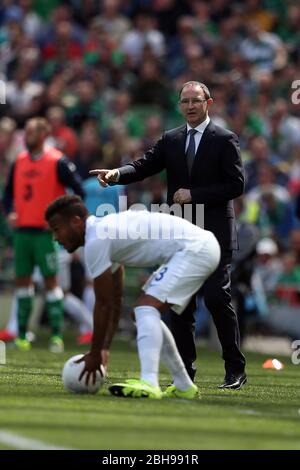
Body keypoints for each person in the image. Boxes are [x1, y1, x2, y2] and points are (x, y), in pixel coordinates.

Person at [90, 81, 247, 389]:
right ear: (179, 105)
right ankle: (186, 372)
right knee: (180, 305)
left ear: (208, 103)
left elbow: (236, 185)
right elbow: (145, 165)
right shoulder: (172, 139)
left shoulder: (225, 139)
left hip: (215, 231)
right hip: (180, 234)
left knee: (216, 297)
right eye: (184, 101)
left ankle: (235, 368)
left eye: (195, 101)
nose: (190, 106)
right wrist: (116, 174)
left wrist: (195, 194)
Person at [45, 194, 221, 399]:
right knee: (142, 313)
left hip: (195, 249)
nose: (56, 238)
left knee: (145, 309)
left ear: (76, 222)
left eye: (57, 229)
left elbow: (103, 304)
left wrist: (94, 353)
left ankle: (149, 382)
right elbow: (115, 298)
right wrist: (104, 349)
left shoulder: (96, 240)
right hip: (197, 247)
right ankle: (184, 386)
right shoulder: (103, 233)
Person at [2, 117, 84, 351]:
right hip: (22, 233)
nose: (26, 136)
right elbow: (7, 195)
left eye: (31, 132)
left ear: (43, 134)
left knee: (51, 282)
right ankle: (22, 334)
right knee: (22, 283)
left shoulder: (57, 161)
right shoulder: (19, 161)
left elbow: (77, 191)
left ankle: (56, 335)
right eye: (25, 132)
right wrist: (10, 212)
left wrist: (62, 220)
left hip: (45, 234)